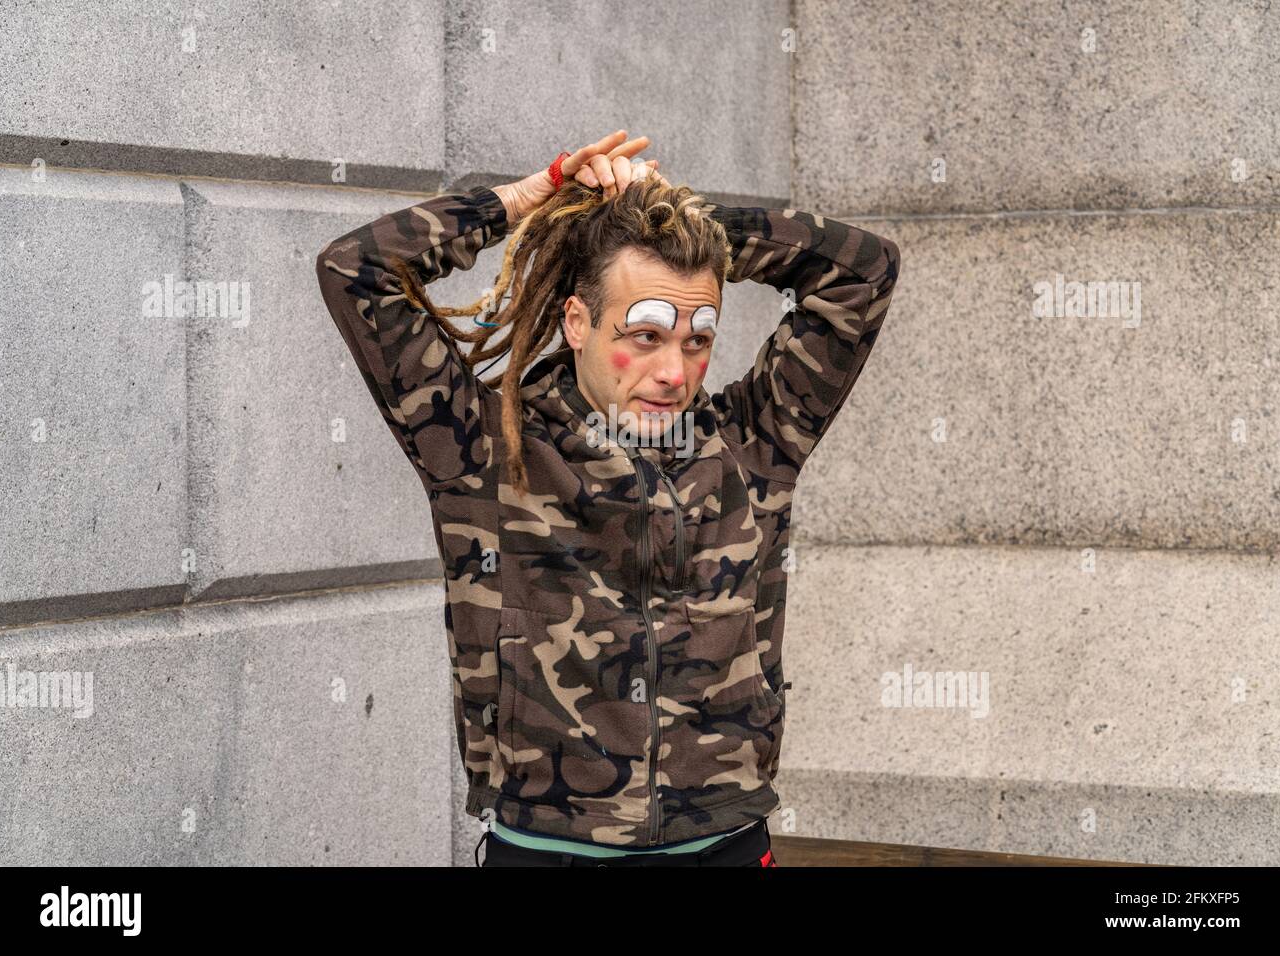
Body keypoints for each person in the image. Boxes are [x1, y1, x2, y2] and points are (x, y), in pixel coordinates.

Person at [315, 129, 901, 866]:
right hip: (550, 851)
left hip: (724, 845)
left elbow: (865, 272)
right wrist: (523, 202)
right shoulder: (484, 449)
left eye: (697, 339)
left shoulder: (752, 445)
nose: (673, 370)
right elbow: (356, 270)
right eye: (646, 335)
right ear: (576, 322)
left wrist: (687, 222)